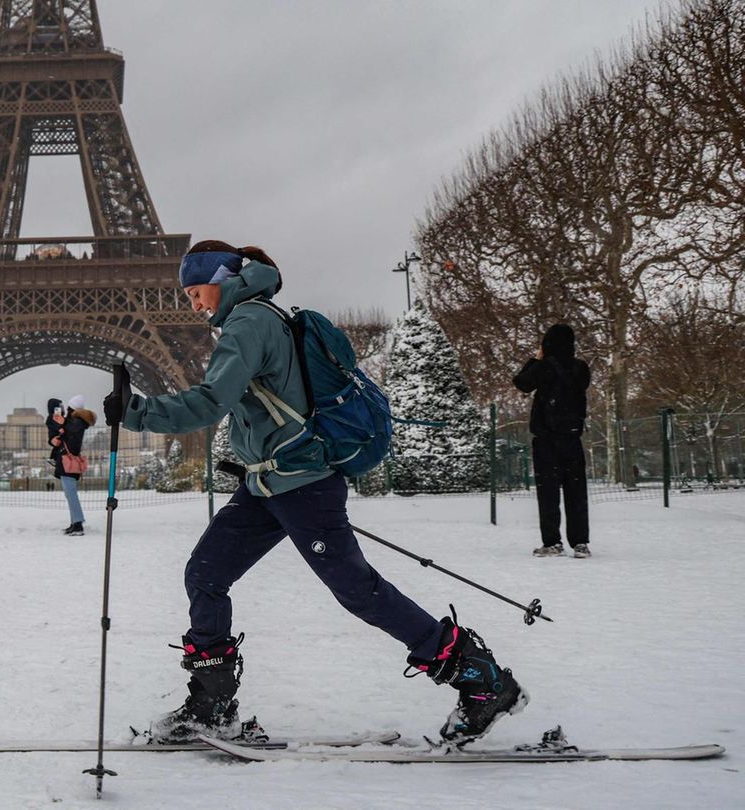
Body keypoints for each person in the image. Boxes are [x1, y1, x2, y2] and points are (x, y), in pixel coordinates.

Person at [101, 240, 527, 746]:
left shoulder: (249, 322)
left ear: (223, 279)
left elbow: (213, 400)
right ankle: (212, 706)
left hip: (302, 484)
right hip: (268, 483)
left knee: (358, 591)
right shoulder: (257, 318)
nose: (194, 305)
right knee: (205, 574)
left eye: (197, 292)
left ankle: (481, 679)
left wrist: (137, 412)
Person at [513, 324, 592, 558]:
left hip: (546, 439)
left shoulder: (544, 367)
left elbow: (522, 383)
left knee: (548, 493)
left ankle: (552, 542)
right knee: (576, 492)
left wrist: (536, 359)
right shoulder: (580, 368)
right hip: (573, 438)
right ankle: (580, 542)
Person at [49, 394, 95, 535]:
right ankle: (74, 522)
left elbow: (71, 435)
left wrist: (63, 424)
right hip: (66, 461)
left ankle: (78, 524)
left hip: (67, 462)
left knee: (71, 494)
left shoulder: (76, 423)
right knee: (70, 494)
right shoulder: (76, 423)